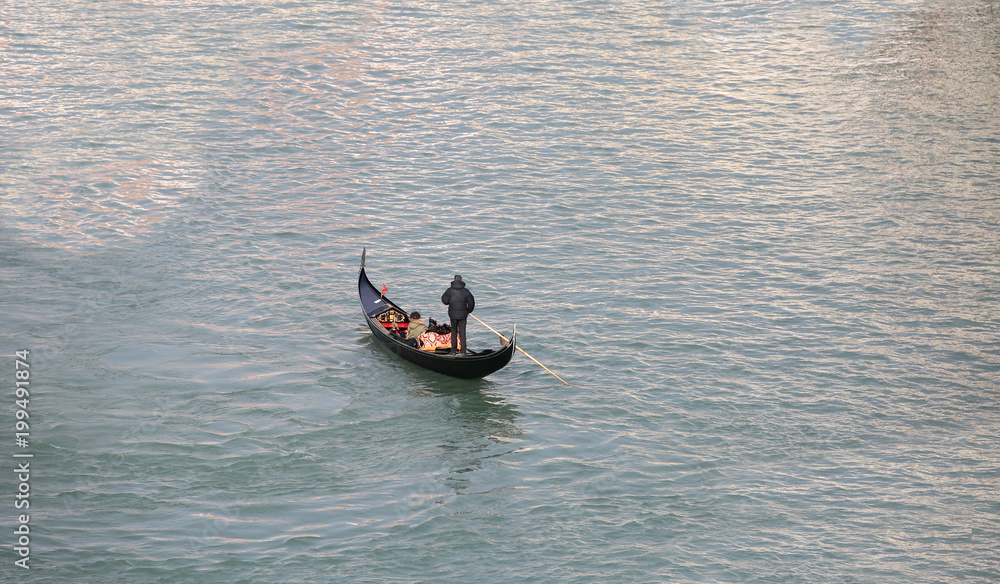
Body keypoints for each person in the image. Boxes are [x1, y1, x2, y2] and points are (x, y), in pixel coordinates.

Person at [441, 274, 475, 355]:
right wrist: (468, 311)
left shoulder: (449, 290)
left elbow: (444, 301)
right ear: (461, 280)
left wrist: (450, 301)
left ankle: (453, 351)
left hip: (453, 315)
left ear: (454, 280)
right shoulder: (466, 291)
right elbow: (471, 303)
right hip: (463, 315)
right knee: (462, 333)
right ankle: (463, 352)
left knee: (454, 332)